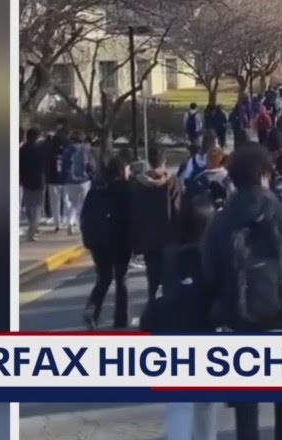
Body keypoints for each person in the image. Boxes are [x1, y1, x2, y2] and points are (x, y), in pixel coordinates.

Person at [202, 143, 282, 440]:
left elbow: (209, 273)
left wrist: (224, 304)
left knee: (246, 408)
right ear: (266, 176)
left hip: (240, 321)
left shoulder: (221, 223)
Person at [140, 193, 219, 440]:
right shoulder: (213, 255)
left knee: (179, 405)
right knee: (206, 405)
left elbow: (156, 295)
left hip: (171, 336)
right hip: (206, 335)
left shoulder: (169, 254)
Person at [79, 155, 134, 329]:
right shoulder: (124, 189)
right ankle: (121, 318)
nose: (129, 172)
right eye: (127, 168)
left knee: (103, 277)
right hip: (119, 239)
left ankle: (92, 310)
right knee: (121, 278)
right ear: (121, 170)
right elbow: (130, 216)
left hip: (97, 241)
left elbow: (84, 215)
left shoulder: (95, 189)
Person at [129, 144, 183, 301]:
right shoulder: (172, 182)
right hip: (168, 236)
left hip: (148, 237)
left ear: (149, 161)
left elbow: (135, 210)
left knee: (152, 276)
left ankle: (152, 304)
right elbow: (177, 208)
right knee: (169, 276)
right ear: (164, 161)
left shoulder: (138, 183)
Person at [61, 130, 95, 235]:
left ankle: (70, 223)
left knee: (73, 204)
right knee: (84, 204)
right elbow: (91, 165)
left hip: (69, 181)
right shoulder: (86, 149)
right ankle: (83, 226)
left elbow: (63, 166)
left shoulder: (66, 151)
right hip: (83, 180)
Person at [19, 128, 46, 241]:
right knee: (37, 207)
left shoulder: (22, 149)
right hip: (38, 181)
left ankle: (31, 229)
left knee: (29, 207)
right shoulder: (39, 149)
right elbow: (43, 166)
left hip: (26, 181)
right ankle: (32, 230)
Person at [44, 121, 70, 230]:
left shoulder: (49, 145)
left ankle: (57, 224)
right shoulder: (69, 145)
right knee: (67, 201)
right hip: (66, 178)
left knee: (55, 202)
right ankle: (68, 221)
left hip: (52, 178)